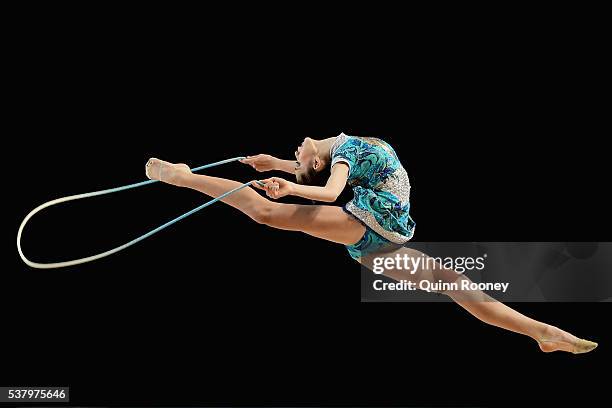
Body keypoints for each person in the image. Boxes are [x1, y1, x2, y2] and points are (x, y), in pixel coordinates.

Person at [145, 133, 597, 354]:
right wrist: (281, 164)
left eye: (299, 156)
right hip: (384, 233)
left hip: (374, 220)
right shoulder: (345, 144)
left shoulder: (341, 152)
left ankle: (182, 177)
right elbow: (324, 170)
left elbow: (326, 190)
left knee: (268, 213)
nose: (298, 153)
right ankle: (542, 332)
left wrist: (291, 184)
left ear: (316, 156)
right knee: (452, 283)